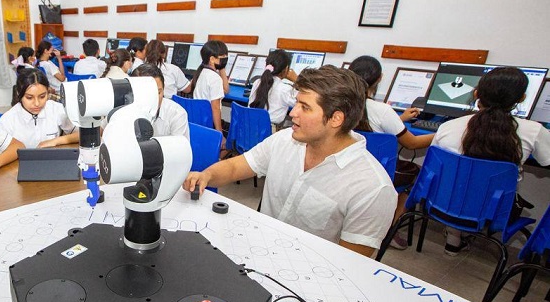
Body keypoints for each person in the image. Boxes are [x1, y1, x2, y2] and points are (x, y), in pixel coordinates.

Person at [184, 66, 396, 257]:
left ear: (336, 119)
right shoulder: (284, 140)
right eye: (296, 103)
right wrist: (207, 175)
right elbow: (234, 167)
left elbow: (348, 266)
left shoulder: (373, 188)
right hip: (257, 251)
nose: (293, 113)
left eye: (305, 107)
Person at [432, 67, 550, 255]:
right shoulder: (533, 131)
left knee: (462, 184)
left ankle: (453, 238)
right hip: (496, 212)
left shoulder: (448, 127)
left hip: (443, 202)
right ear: (521, 98)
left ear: (477, 93)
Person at [349, 55, 435, 250]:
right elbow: (412, 143)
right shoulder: (383, 110)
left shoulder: (344, 105)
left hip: (353, 167)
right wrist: (440, 133)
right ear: (380, 79)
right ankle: (389, 228)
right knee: (414, 175)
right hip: (379, 173)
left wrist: (399, 119)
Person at [0, 67, 77, 148]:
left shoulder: (55, 109)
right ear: (19, 93)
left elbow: (82, 134)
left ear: (48, 92)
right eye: (29, 97)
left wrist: (56, 141)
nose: (37, 103)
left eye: (42, 96)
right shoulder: (7, 120)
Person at [130, 63, 189, 140]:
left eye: (158, 92)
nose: (154, 99)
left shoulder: (177, 114)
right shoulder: (124, 111)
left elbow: (180, 150)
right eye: (146, 93)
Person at [247, 49, 298, 129]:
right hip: (270, 133)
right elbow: (304, 101)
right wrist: (297, 80)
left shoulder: (257, 82)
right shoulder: (285, 89)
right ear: (286, 69)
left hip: (250, 129)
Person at [188, 40, 229, 134]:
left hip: (199, 121)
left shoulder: (201, 72)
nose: (225, 58)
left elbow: (226, 90)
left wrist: (221, 68)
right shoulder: (215, 78)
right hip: (210, 123)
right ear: (212, 59)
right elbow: (215, 108)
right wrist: (219, 133)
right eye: (223, 56)